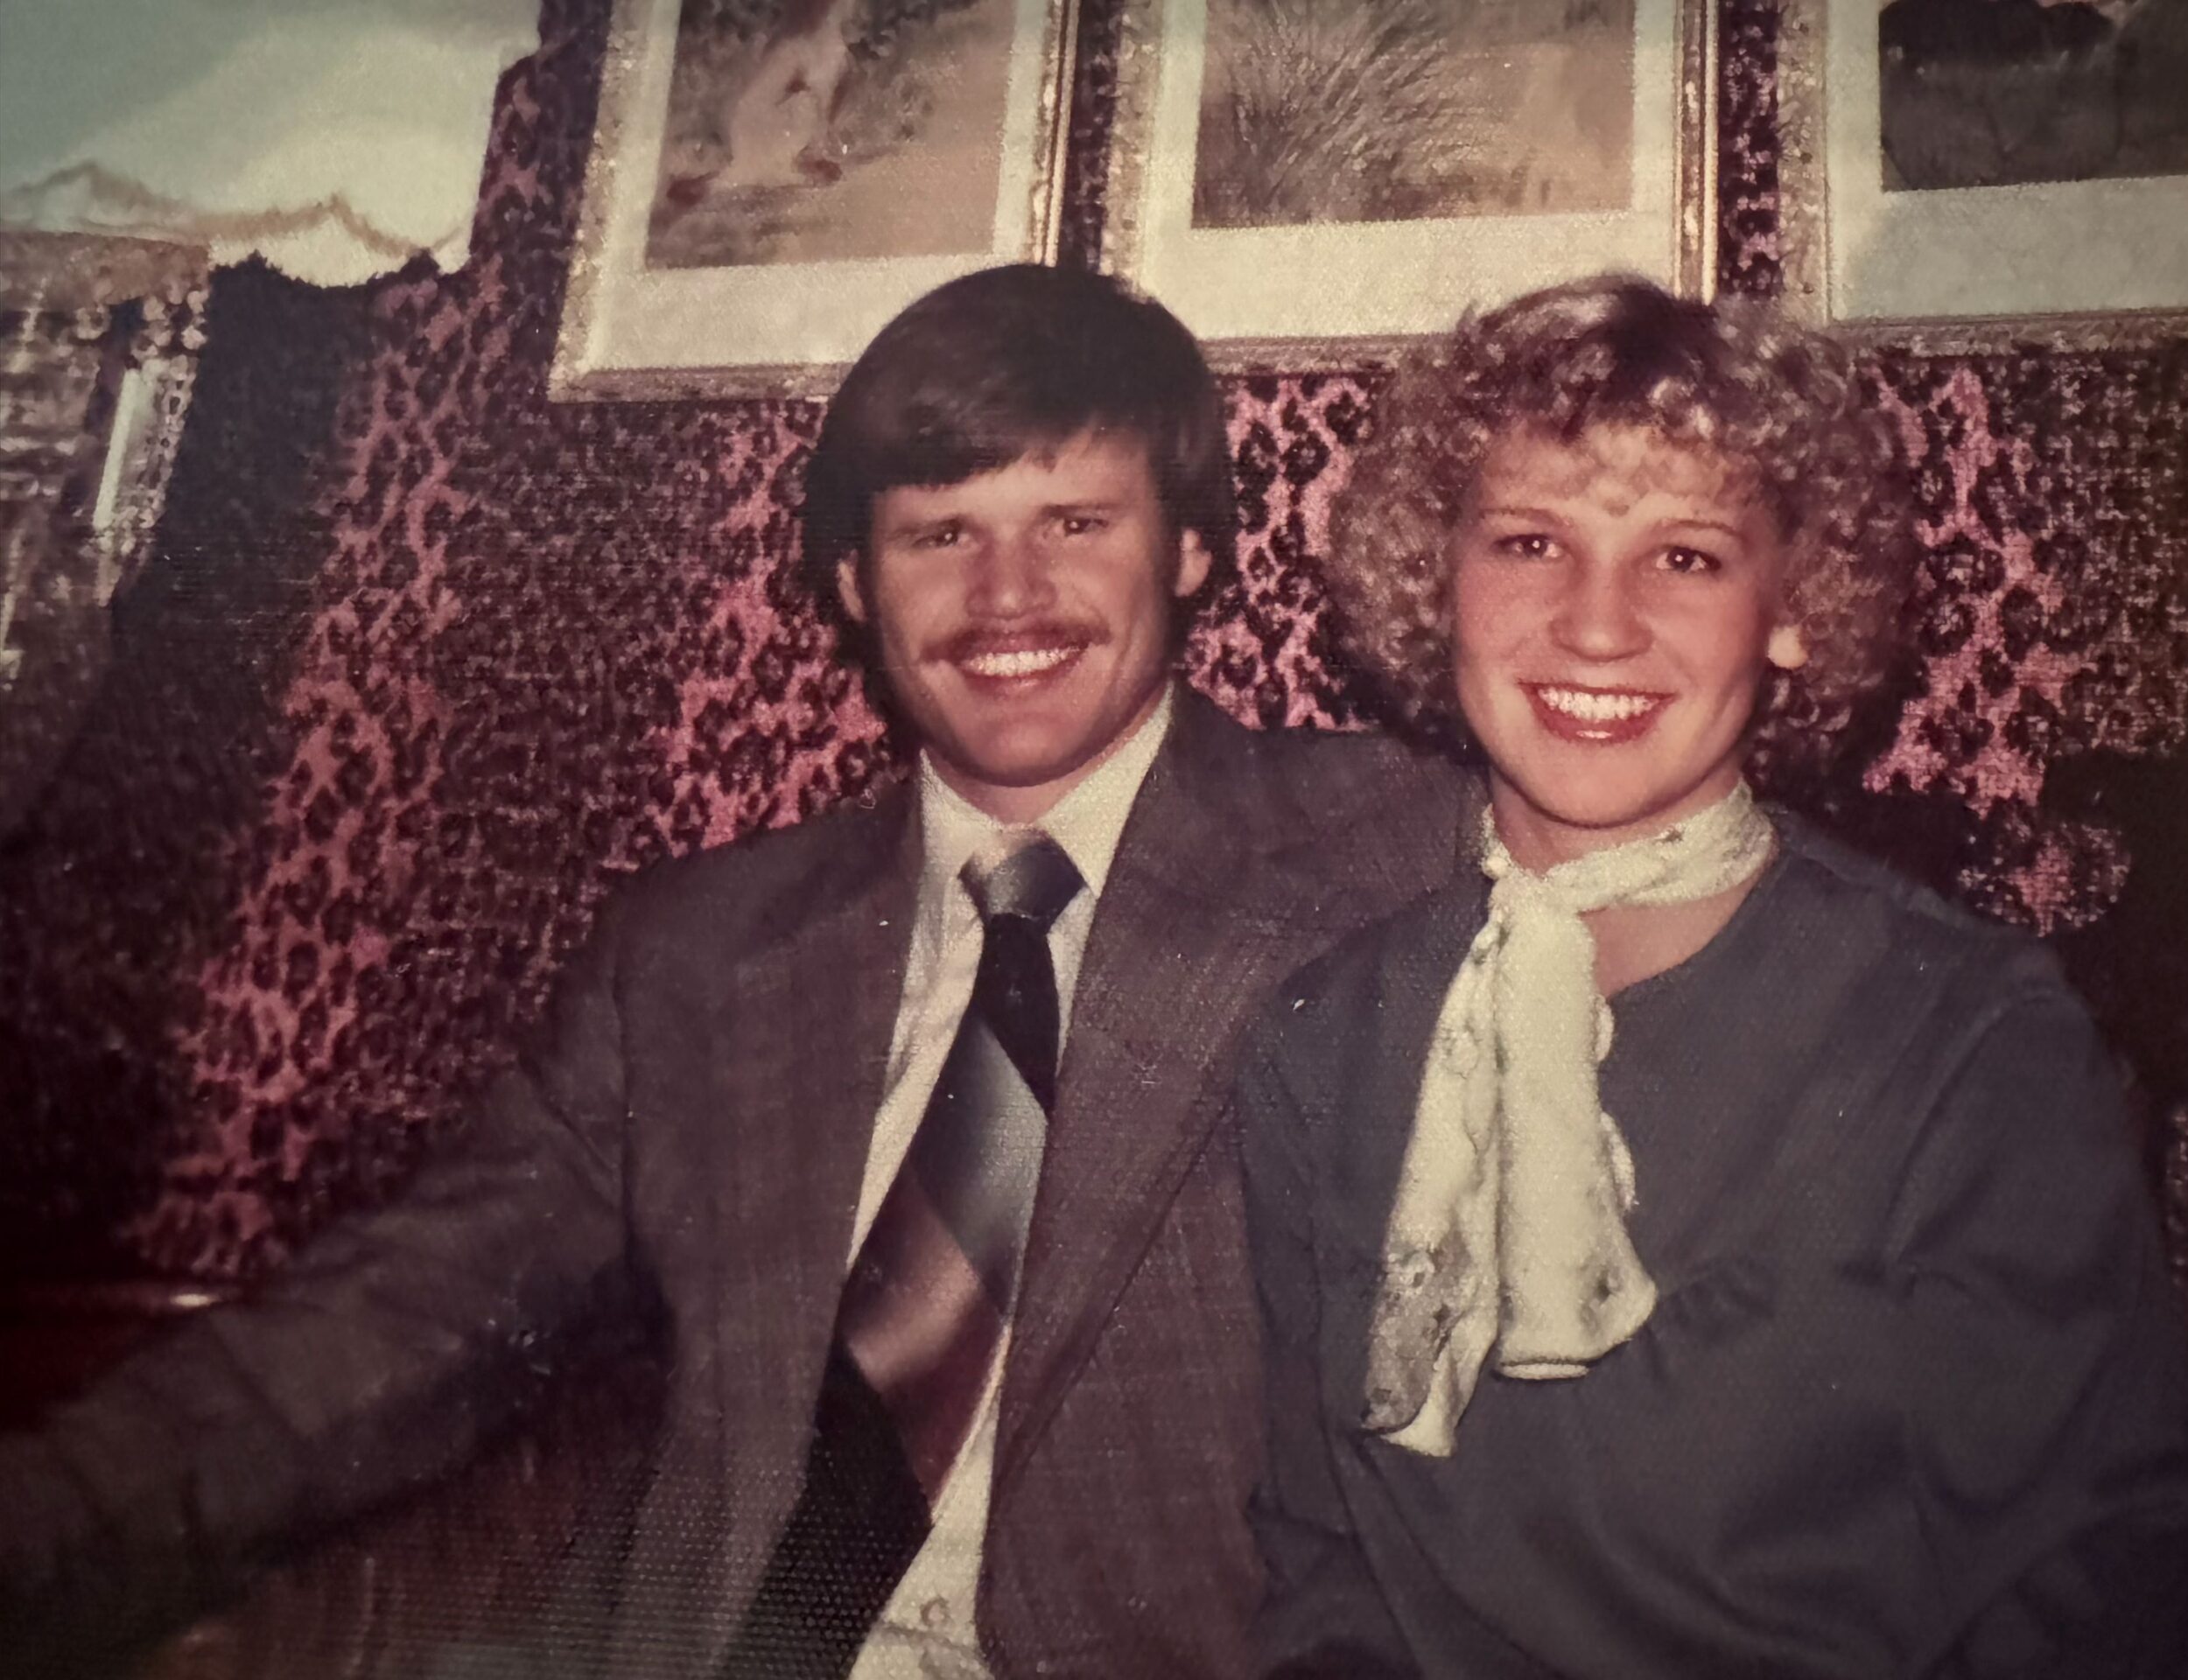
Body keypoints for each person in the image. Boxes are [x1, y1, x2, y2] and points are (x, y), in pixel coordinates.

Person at [0, 264, 1482, 1679]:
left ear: (1192, 550)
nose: (1008, 596)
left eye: (1075, 522)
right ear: (853, 582)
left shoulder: (1404, 852)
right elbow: (393, 1321)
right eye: (939, 535)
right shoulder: (697, 953)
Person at [1236, 275, 2188, 1679]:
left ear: (1790, 609)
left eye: (1685, 557)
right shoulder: (1322, 1039)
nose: (1597, 624)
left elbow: (2086, 1582)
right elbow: (1327, 1567)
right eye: (1530, 542)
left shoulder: (1967, 1035)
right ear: (1438, 586)